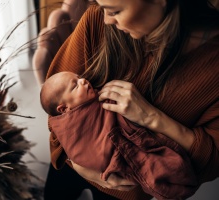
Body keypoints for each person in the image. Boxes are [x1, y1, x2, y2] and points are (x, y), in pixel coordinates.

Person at [43, 0, 219, 199]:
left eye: (115, 11)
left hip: (126, 194)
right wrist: (80, 165)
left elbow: (212, 161)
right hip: (69, 166)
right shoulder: (97, 21)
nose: (107, 19)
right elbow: (54, 110)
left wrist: (152, 118)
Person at [40, 71, 198, 199]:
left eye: (79, 78)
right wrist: (77, 164)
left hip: (124, 189)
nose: (83, 80)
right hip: (96, 165)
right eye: (75, 86)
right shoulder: (69, 122)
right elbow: (61, 129)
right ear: (64, 109)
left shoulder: (91, 99)